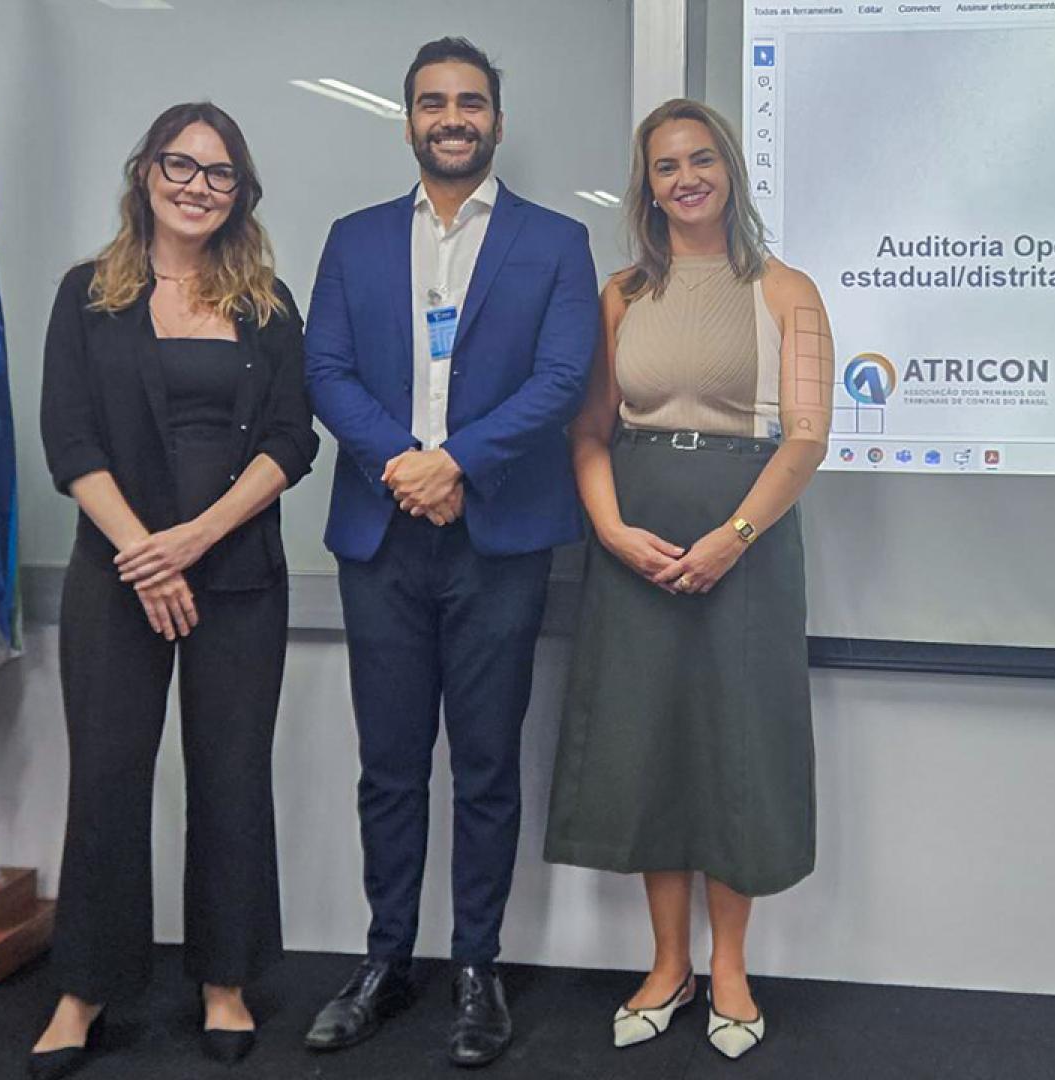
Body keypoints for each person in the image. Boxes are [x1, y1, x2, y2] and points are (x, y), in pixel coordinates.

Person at [301, 38, 598, 1069]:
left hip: (499, 538)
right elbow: (326, 371)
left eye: (471, 101)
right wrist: (405, 465)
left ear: (498, 121)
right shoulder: (354, 238)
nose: (453, 117)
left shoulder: (556, 243)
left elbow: (562, 379)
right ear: (410, 118)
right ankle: (387, 960)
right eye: (434, 102)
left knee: (484, 767)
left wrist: (459, 463)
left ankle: (478, 966)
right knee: (388, 766)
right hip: (383, 535)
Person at [31, 102, 318, 1078]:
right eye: (180, 165)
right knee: (108, 785)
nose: (198, 185)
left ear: (241, 193)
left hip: (239, 576)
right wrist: (144, 555)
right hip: (117, 583)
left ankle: (224, 981)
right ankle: (83, 990)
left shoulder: (269, 304)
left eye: (219, 172)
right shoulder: (88, 296)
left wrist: (192, 541)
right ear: (145, 173)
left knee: (230, 783)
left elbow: (293, 442)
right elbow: (70, 441)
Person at [543, 98, 833, 1060]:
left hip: (741, 549)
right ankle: (668, 966)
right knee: (646, 747)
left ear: (729, 173)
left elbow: (806, 438)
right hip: (633, 545)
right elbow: (589, 431)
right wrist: (613, 529)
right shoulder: (620, 292)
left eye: (701, 160)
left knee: (732, 748)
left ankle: (733, 971)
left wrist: (734, 535)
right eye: (666, 167)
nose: (686, 179)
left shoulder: (788, 291)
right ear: (648, 186)